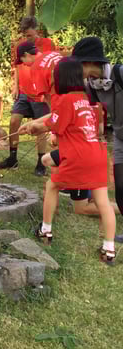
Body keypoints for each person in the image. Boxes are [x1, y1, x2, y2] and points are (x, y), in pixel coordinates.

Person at [19, 58, 116, 265]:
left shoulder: (64, 100)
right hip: (97, 153)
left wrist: (34, 127)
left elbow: (54, 125)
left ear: (61, 77)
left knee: (52, 185)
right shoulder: (87, 99)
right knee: (103, 202)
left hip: (79, 156)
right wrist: (44, 127)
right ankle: (109, 250)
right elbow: (74, 126)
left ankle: (45, 231)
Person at [71, 37, 123, 243]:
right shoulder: (92, 86)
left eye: (78, 65)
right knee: (120, 187)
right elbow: (74, 105)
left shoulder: (120, 74)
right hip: (120, 136)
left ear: (90, 62)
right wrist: (40, 123)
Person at [0, 17, 55, 176]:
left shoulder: (48, 44)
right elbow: (17, 66)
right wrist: (15, 85)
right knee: (14, 121)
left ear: (37, 30)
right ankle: (12, 158)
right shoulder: (20, 45)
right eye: (25, 35)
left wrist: (46, 94)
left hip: (40, 94)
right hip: (24, 92)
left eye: (29, 35)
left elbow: (51, 67)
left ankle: (40, 163)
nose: (27, 38)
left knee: (40, 127)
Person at [41, 149, 120, 216]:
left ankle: (120, 208)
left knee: (81, 209)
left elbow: (53, 140)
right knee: (46, 160)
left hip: (81, 157)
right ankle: (87, 193)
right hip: (83, 151)